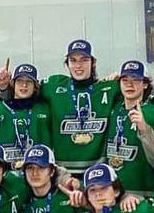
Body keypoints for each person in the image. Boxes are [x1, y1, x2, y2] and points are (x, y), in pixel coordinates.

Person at [37, 39, 119, 179]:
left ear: (93, 63)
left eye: (84, 60)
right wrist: (5, 85)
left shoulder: (109, 88)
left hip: (98, 175)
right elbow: (23, 91)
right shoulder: (55, 86)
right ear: (67, 64)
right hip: (63, 175)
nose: (78, 65)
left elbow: (141, 91)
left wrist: (121, 77)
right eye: (73, 60)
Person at [102, 60, 154, 199]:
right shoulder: (114, 109)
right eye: (124, 80)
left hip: (141, 195)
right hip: (113, 194)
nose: (129, 85)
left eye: (136, 80)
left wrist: (144, 128)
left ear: (145, 84)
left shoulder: (152, 112)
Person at [0, 63, 51, 165]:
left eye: (29, 81)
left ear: (36, 86)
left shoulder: (44, 109)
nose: (24, 85)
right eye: (19, 81)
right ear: (12, 84)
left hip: (37, 171)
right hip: (5, 174)